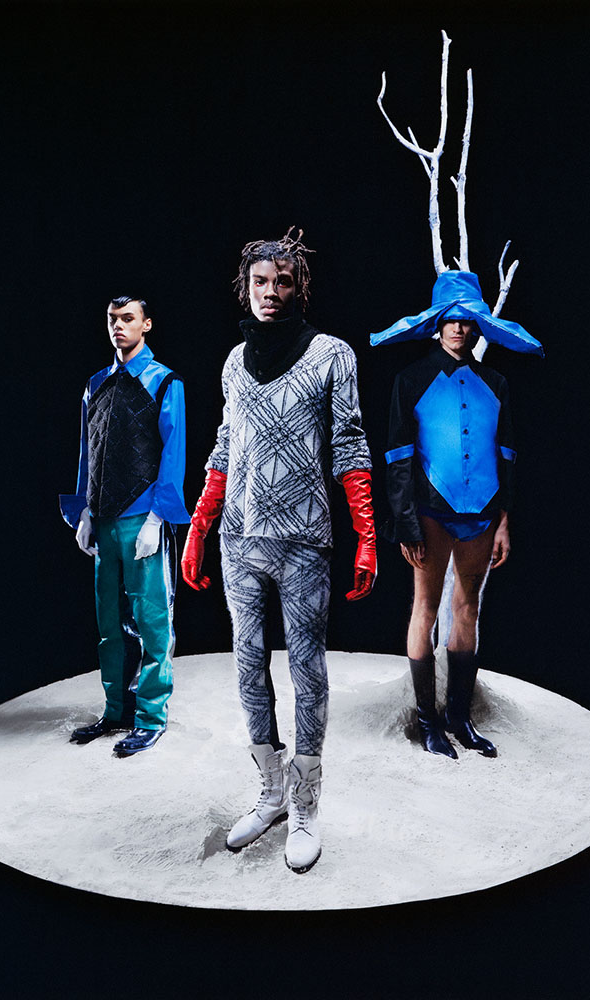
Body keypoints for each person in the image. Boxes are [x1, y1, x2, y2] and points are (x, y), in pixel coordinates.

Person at [182, 229, 376, 873]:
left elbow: (348, 442)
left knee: (307, 670)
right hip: (240, 536)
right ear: (246, 287)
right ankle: (270, 791)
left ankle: (306, 805)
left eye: (282, 281)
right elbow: (225, 443)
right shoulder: (234, 361)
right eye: (260, 281)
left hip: (303, 539)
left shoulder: (331, 355)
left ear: (299, 287)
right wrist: (201, 524)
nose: (270, 292)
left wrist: (366, 532)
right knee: (247, 664)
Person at [372, 270, 543, 759]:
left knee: (468, 609)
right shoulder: (411, 380)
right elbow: (397, 457)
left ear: (478, 326)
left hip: (484, 512)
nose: (459, 328)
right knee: (425, 609)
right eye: (451, 319)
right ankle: (429, 722)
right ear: (437, 323)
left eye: (468, 321)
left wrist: (504, 519)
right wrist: (405, 521)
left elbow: (507, 454)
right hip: (430, 511)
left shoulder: (496, 383)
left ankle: (460, 718)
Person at [60, 296, 190, 756]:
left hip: (141, 517)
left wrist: (158, 517)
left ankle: (151, 717)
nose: (119, 325)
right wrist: (83, 512)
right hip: (104, 518)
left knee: (153, 621)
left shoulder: (164, 382)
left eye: (128, 318)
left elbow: (173, 453)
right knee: (108, 623)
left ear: (146, 324)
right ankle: (115, 710)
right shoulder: (96, 384)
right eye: (112, 319)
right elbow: (88, 450)